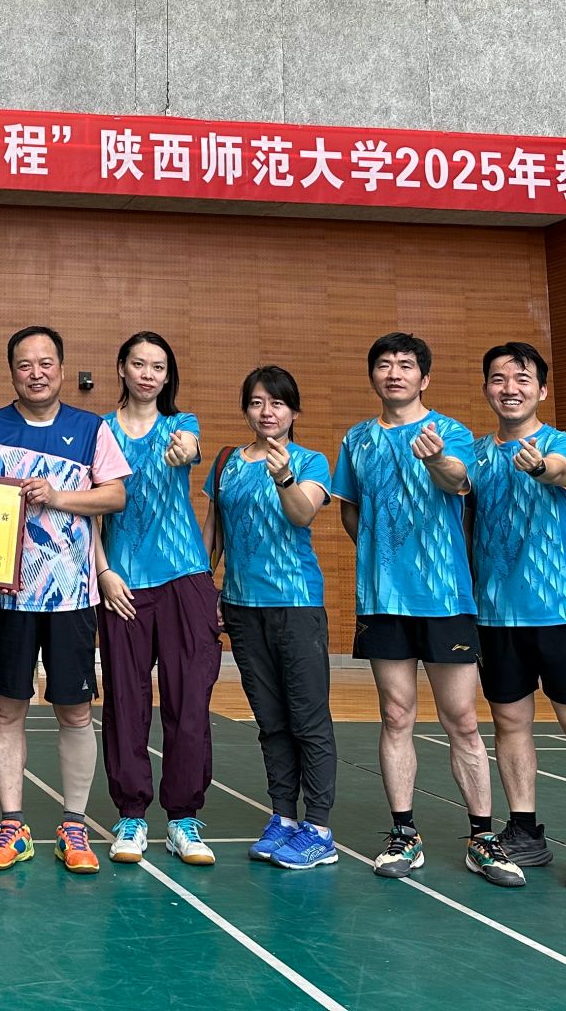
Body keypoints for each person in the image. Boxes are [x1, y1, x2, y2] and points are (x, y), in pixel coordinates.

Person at [333, 331, 523, 888]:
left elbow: (458, 480)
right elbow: (350, 511)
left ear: (424, 378)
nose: (394, 373)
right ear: (373, 375)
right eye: (384, 364)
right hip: (383, 602)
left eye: (406, 365)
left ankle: (482, 837)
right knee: (396, 715)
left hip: (445, 599)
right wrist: (381, 558)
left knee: (462, 719)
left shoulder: (452, 431)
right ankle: (403, 833)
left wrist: (437, 456)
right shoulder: (357, 439)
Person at [0, 326, 130, 876]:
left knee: (75, 712)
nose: (36, 373)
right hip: (7, 599)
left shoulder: (91, 428)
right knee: (6, 710)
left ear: (61, 368)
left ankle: (74, 826)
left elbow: (116, 495)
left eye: (46, 363)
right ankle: (12, 826)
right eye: (25, 364)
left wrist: (57, 496)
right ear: (12, 371)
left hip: (72, 598)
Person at [464, 341, 566, 891]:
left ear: (541, 390)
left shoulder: (563, 443)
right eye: (499, 379)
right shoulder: (475, 455)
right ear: (487, 388)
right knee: (509, 724)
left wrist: (539, 465)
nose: (510, 388)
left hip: (560, 612)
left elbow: (561, 472)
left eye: (522, 379)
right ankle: (524, 829)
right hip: (496, 617)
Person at [203, 365, 339, 871]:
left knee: (308, 718)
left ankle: (318, 829)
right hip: (242, 608)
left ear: (294, 411)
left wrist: (283, 477)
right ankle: (283, 816)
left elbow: (302, 514)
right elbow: (214, 533)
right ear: (246, 409)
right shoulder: (226, 463)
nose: (267, 412)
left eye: (277, 403)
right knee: (271, 720)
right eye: (257, 402)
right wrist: (205, 588)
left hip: (295, 604)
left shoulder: (310, 461)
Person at [95, 331, 218, 866]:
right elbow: (92, 511)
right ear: (122, 368)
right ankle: (131, 815)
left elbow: (191, 448)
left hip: (184, 577)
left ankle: (184, 818)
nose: (148, 374)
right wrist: (103, 571)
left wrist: (187, 450)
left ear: (168, 376)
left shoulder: (181, 424)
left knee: (189, 700)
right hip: (121, 583)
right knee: (125, 699)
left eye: (158, 367)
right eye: (139, 364)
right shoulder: (98, 431)